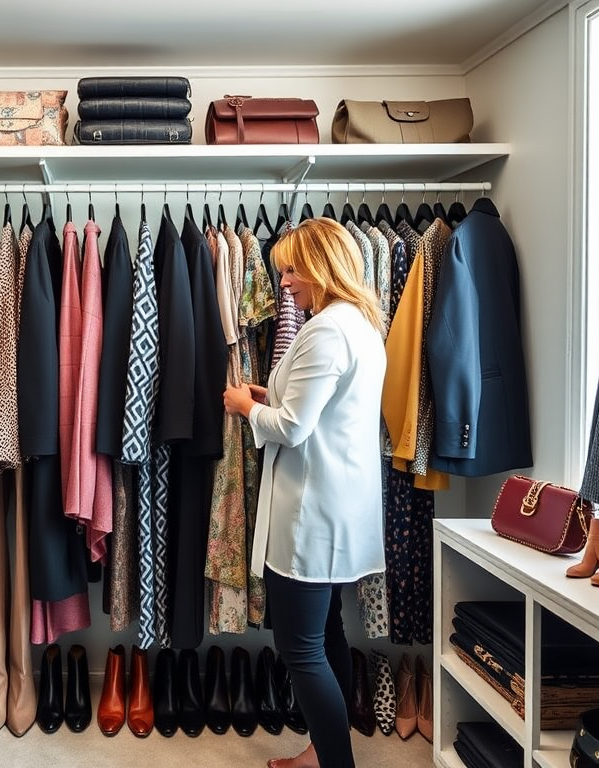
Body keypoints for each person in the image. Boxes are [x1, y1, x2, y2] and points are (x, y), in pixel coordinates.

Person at [223, 217, 386, 768]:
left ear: (322, 264)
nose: (285, 281)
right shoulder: (359, 324)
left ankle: (337, 763)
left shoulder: (324, 330)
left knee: (301, 649)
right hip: (340, 509)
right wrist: (272, 394)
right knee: (328, 634)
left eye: (292, 268)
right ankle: (324, 753)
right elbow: (326, 408)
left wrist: (248, 407)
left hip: (311, 515)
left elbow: (293, 428)